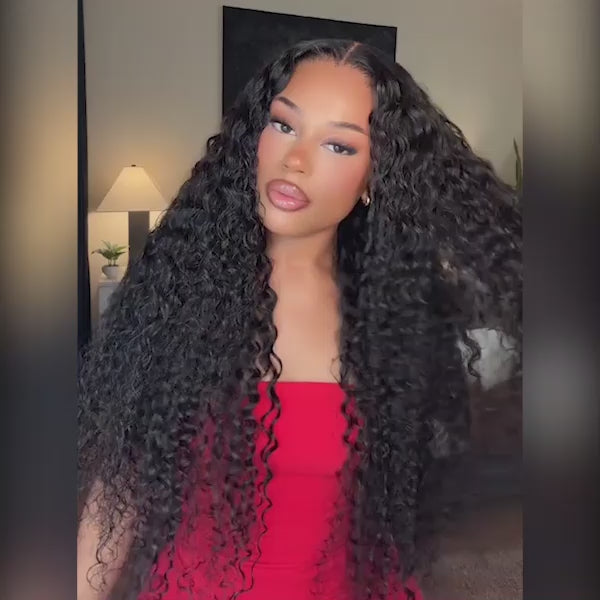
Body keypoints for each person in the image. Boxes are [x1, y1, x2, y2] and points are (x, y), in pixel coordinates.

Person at [77, 38, 522, 600]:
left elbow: (389, 520)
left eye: (339, 145)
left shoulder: (395, 320)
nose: (297, 160)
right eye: (284, 125)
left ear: (374, 178)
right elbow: (115, 495)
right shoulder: (179, 292)